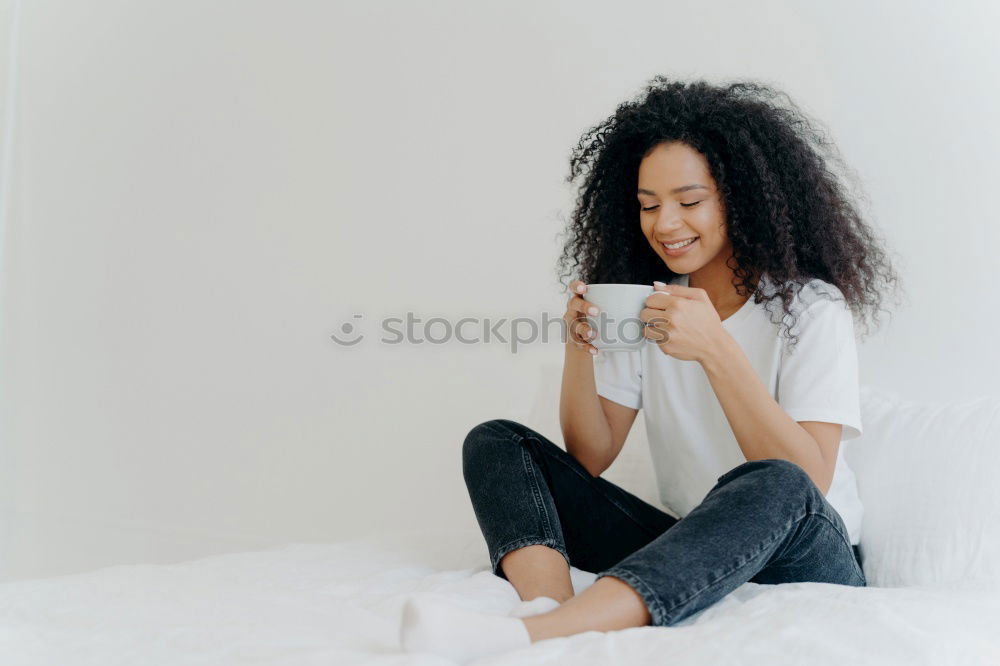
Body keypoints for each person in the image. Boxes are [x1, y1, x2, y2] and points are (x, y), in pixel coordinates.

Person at [400, 76, 902, 663]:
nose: (665, 224)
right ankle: (547, 612)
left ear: (741, 198)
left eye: (689, 202)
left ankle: (538, 638)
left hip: (805, 552)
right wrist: (578, 350)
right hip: (691, 542)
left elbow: (807, 480)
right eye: (647, 205)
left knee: (773, 480)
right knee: (497, 442)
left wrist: (716, 350)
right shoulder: (645, 307)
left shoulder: (811, 309)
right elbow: (589, 456)